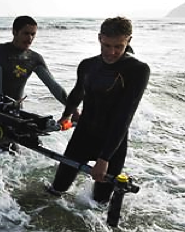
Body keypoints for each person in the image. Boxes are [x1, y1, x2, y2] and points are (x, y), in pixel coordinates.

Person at [47, 16, 150, 203]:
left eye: (119, 46)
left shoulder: (138, 70)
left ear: (129, 41)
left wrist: (104, 158)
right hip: (83, 134)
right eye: (107, 45)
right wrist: (67, 115)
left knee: (100, 202)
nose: (112, 52)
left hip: (113, 143)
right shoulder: (87, 65)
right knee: (57, 189)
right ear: (100, 38)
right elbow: (78, 92)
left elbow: (125, 115)